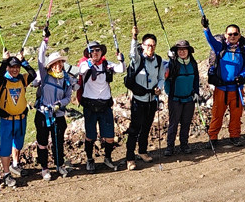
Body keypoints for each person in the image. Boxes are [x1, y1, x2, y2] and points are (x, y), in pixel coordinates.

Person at [76, 40, 125, 172]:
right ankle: (89, 159)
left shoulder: (106, 64)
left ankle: (108, 158)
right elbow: (81, 70)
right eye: (92, 51)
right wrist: (90, 63)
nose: (95, 53)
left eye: (98, 50)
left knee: (109, 137)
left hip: (105, 106)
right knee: (90, 136)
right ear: (88, 53)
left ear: (102, 52)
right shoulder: (85, 64)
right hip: (90, 106)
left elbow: (121, 69)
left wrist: (121, 61)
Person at [34, 25, 75, 180]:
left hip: (58, 114)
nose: (58, 65)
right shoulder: (45, 75)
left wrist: (59, 104)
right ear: (51, 65)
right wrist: (45, 40)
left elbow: (68, 97)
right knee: (42, 142)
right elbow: (40, 57)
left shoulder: (66, 79)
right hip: (43, 114)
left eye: (60, 63)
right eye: (55, 63)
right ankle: (44, 168)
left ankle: (59, 165)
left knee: (58, 141)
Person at [202, 18, 245, 146]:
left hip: (237, 89)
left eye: (235, 34)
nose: (232, 36)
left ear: (239, 35)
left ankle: (235, 136)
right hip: (221, 89)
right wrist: (206, 29)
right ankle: (212, 138)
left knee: (236, 115)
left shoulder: (243, 50)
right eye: (230, 34)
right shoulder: (220, 48)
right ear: (225, 35)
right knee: (217, 114)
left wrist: (242, 75)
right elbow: (210, 40)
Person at [0, 51, 36, 187]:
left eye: (17, 67)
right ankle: (6, 174)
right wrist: (4, 60)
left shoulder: (22, 79)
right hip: (7, 120)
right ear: (7, 67)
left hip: (21, 118)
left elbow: (33, 74)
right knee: (5, 147)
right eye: (12, 67)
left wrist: (23, 61)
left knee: (18, 143)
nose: (15, 70)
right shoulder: (2, 81)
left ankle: (15, 164)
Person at [124, 26, 163, 171]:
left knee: (146, 126)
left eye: (153, 45)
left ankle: (142, 151)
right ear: (143, 46)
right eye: (148, 45)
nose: (150, 48)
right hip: (139, 100)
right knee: (134, 129)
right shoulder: (138, 59)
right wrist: (134, 37)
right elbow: (132, 54)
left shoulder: (158, 60)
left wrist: (159, 87)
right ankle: (130, 158)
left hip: (152, 99)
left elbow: (161, 78)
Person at [163, 39, 200, 156]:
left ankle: (184, 145)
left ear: (188, 51)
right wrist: (170, 93)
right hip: (175, 99)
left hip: (189, 99)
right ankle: (170, 147)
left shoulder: (193, 64)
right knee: (173, 124)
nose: (182, 52)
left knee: (186, 123)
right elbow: (166, 80)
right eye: (179, 50)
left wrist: (196, 92)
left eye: (184, 49)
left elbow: (196, 79)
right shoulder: (173, 64)